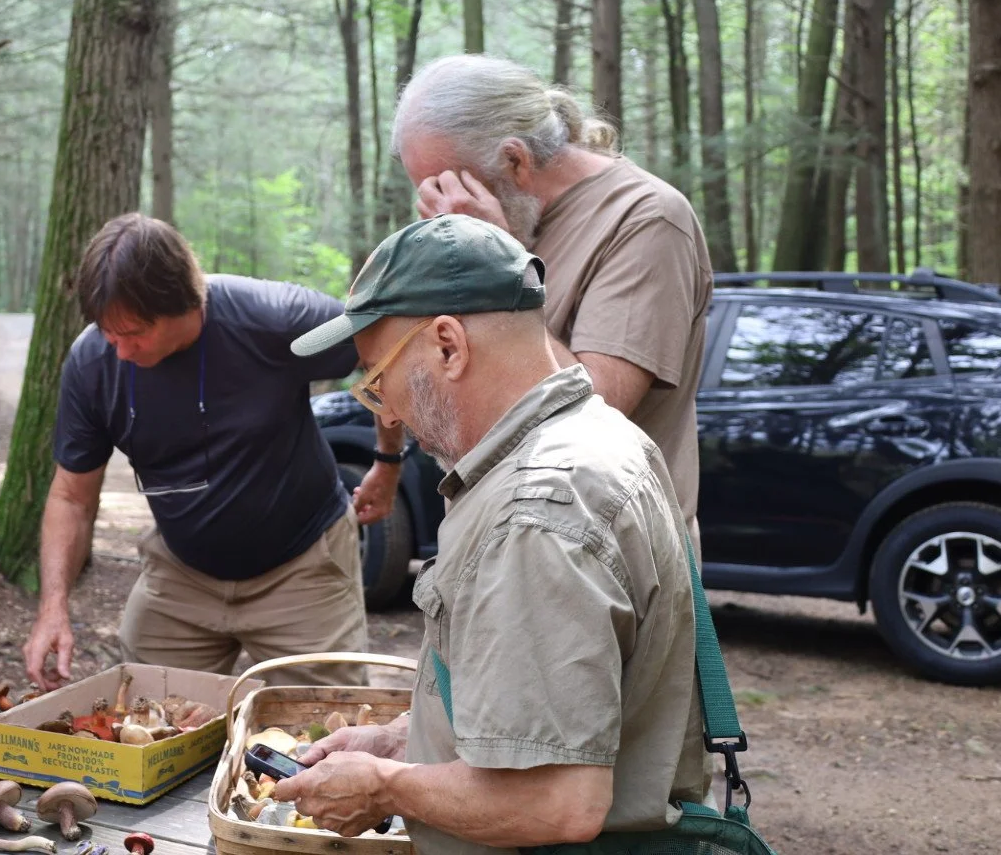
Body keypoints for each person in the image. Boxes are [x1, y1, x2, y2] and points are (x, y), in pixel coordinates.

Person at [279, 214, 709, 852]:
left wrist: (385, 786)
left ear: (448, 346)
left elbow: (556, 801)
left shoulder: (535, 512)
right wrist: (408, 740)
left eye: (377, 381)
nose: (388, 411)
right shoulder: (595, 434)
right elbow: (559, 710)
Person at [22, 213, 405, 689]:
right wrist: (53, 608)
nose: (120, 351)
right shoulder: (92, 363)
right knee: (145, 715)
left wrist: (388, 462)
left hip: (302, 569)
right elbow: (71, 498)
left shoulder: (277, 319)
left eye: (134, 332)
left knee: (328, 727)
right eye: (107, 332)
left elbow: (385, 351)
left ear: (184, 301)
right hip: (182, 576)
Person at [394, 55, 712, 537]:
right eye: (429, 191)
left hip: (607, 551)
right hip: (500, 533)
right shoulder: (491, 220)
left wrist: (498, 262)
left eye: (449, 184)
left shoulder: (647, 218)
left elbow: (596, 407)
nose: (440, 209)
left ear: (515, 160)